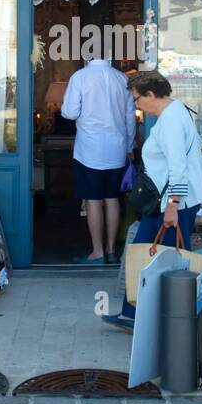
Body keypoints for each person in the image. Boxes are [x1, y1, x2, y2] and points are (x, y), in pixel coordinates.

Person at [102, 70, 202, 331]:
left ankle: (164, 318)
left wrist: (173, 204)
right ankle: (133, 314)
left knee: (161, 260)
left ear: (151, 94)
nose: (137, 106)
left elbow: (177, 167)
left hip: (172, 203)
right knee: (145, 254)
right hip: (167, 202)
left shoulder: (171, 120)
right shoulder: (175, 112)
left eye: (138, 99)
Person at [61, 50, 135, 264]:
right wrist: (130, 145)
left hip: (89, 150)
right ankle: (111, 250)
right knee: (112, 198)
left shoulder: (80, 77)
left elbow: (69, 112)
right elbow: (130, 116)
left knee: (93, 200)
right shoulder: (122, 79)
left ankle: (97, 252)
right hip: (117, 148)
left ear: (87, 56)